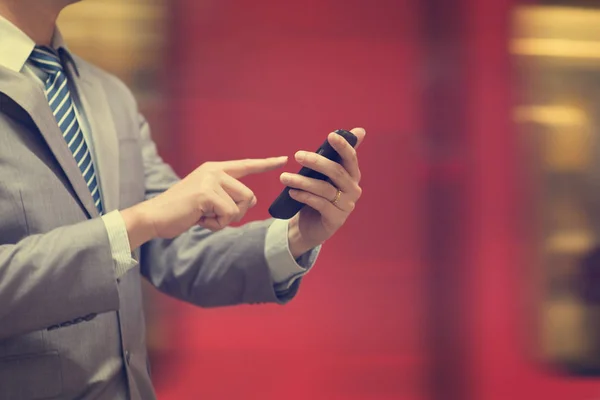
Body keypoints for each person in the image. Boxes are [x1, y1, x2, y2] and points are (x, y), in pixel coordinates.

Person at [0, 0, 365, 399]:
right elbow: (145, 223)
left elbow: (172, 248)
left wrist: (296, 235)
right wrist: (136, 222)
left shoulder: (108, 95)